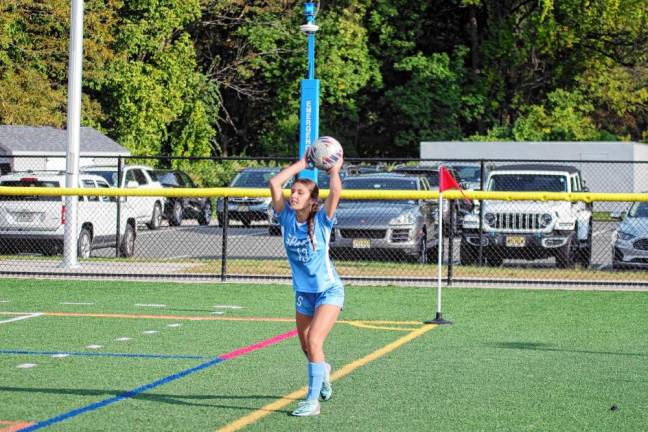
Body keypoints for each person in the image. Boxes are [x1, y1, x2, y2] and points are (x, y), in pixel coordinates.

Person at [269, 148, 344, 417]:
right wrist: (300, 165)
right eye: (294, 191)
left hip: (328, 291)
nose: (293, 195)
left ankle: (312, 402)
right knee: (307, 346)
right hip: (303, 293)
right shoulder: (286, 217)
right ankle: (323, 371)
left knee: (314, 339)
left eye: (300, 192)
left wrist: (334, 170)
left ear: (313, 201)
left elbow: (335, 194)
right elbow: (275, 183)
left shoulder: (322, 220)